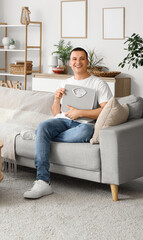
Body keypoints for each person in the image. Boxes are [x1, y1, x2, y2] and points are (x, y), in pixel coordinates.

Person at [23, 47, 113, 199]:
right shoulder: (65, 83)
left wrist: (81, 113)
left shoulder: (99, 84)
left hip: (83, 124)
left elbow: (106, 111)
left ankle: (40, 136)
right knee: (44, 126)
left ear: (87, 62)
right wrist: (57, 99)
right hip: (62, 121)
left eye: (82, 58)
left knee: (86, 132)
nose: (78, 62)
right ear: (70, 63)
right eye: (74, 59)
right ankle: (43, 181)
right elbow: (55, 112)